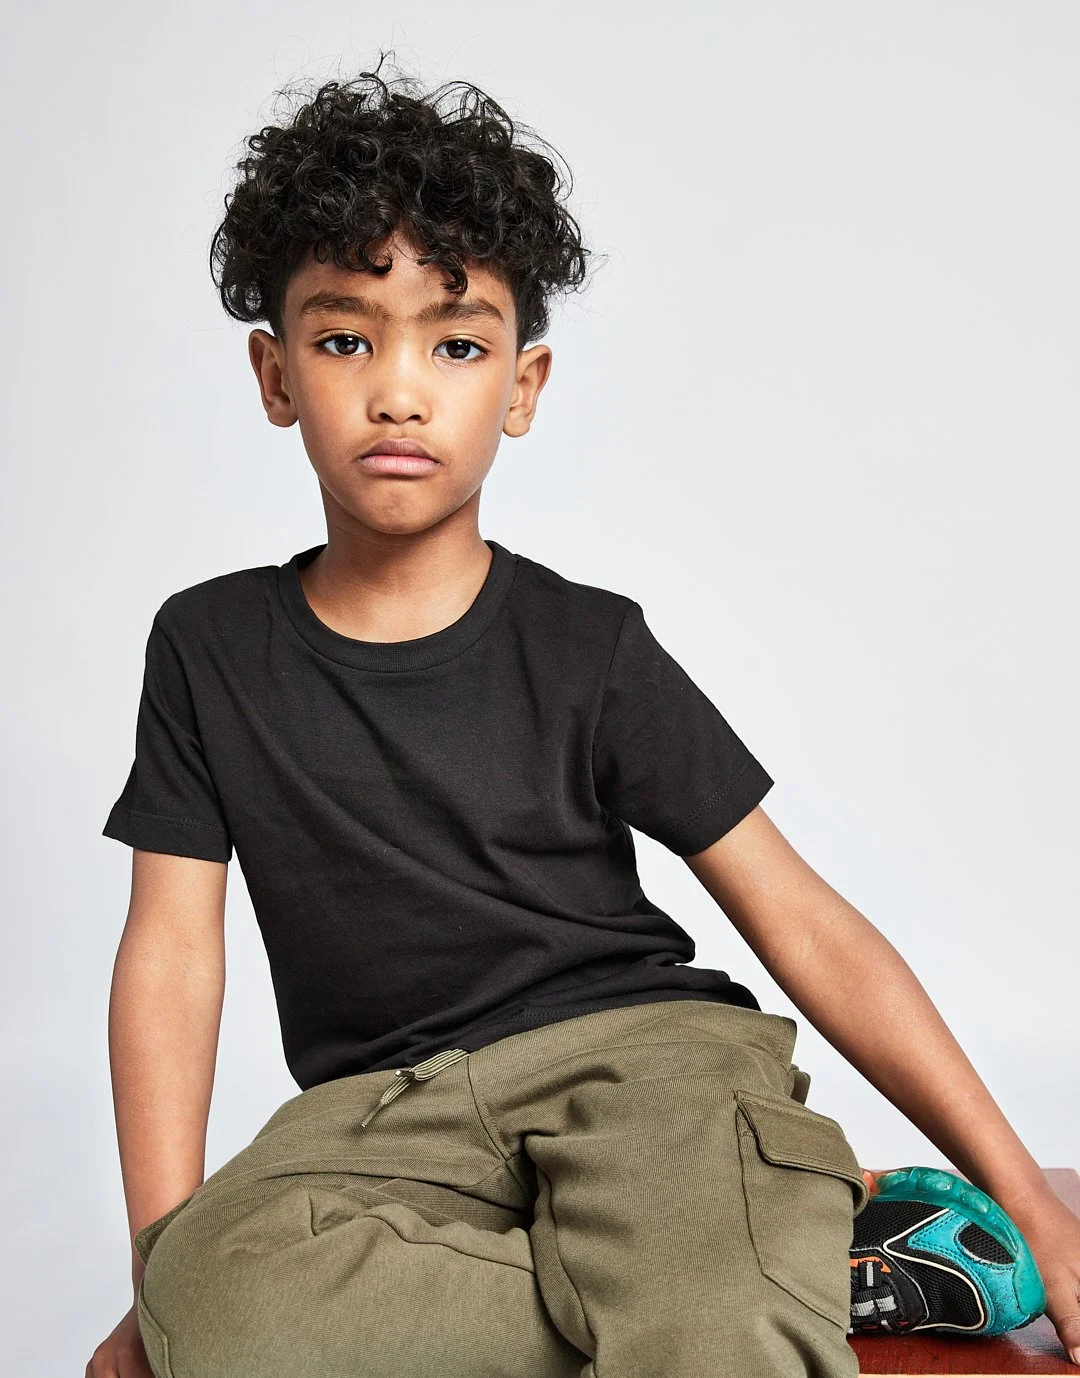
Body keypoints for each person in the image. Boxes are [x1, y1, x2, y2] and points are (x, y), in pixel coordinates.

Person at [88, 56, 1080, 1378]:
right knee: (228, 1305)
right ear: (275, 375)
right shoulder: (207, 649)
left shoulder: (589, 647)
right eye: (343, 339)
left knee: (708, 1328)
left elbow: (800, 915)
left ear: (523, 385)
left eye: (455, 342)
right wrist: (166, 1274)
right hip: (385, 1115)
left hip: (644, 1060)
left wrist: (1031, 1192)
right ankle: (800, 1259)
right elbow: (170, 956)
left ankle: (728, 1272)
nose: (398, 389)